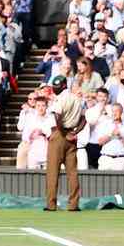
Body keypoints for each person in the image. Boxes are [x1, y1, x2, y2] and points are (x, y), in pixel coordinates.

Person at [44, 75, 85, 211]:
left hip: (59, 135)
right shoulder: (77, 99)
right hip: (71, 138)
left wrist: (65, 133)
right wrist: (75, 132)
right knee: (72, 173)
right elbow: (84, 120)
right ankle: (74, 204)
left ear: (63, 86)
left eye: (56, 86)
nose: (54, 89)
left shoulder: (61, 99)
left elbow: (57, 117)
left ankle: (51, 204)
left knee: (52, 172)